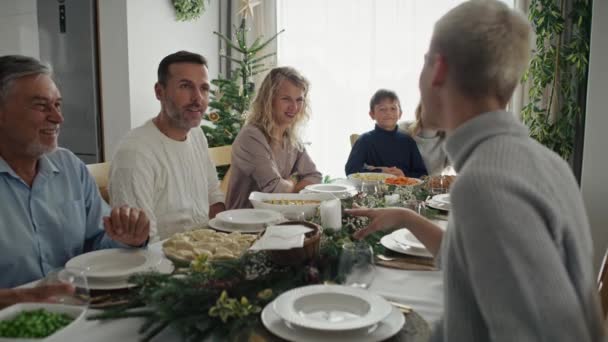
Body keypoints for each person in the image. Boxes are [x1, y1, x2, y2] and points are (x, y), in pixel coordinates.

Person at [348, 1, 605, 341]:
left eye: (425, 61)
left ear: (438, 69)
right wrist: (407, 218)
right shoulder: (544, 161)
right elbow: (475, 261)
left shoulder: (486, 183)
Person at [0, 55, 150, 289]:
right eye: (41, 106)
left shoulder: (69, 166)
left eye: (57, 104)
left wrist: (126, 239)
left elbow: (97, 245)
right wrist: (21, 300)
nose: (58, 117)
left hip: (79, 309)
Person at [109, 51, 225, 242]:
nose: (198, 98)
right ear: (159, 91)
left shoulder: (197, 135)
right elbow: (142, 241)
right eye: (186, 86)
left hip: (206, 255)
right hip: (162, 265)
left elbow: (213, 195)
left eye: (204, 88)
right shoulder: (135, 153)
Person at [226, 67, 322, 209]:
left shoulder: (290, 137)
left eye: (299, 100)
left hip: (279, 218)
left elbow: (315, 177)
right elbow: (274, 190)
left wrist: (289, 185)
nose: (294, 107)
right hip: (246, 224)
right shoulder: (251, 137)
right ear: (268, 100)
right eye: (286, 99)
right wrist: (294, 182)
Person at [345, 89, 427, 178]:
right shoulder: (364, 140)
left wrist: (404, 175)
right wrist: (380, 171)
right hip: (374, 190)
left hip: (403, 189)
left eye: (393, 108)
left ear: (400, 114)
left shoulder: (408, 141)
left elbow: (422, 175)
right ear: (372, 114)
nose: (388, 113)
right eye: (382, 109)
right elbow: (351, 170)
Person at [398, 102, 450, 176]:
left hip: (434, 186)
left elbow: (462, 167)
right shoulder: (402, 129)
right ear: (421, 109)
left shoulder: (449, 138)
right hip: (404, 184)